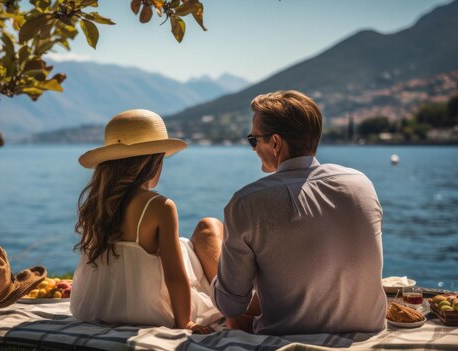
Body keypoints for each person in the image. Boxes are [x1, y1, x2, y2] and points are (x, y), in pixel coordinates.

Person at [211, 90, 387, 335]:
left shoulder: (247, 202)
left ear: (275, 143)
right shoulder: (361, 184)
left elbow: (231, 306)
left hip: (286, 338)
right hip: (367, 332)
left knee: (232, 317)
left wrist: (219, 275)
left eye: (253, 140)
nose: (252, 148)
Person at [70, 109, 223, 334]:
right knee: (210, 228)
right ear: (154, 163)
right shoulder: (159, 206)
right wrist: (185, 322)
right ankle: (233, 297)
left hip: (95, 307)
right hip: (149, 310)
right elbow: (175, 276)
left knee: (185, 241)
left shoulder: (96, 205)